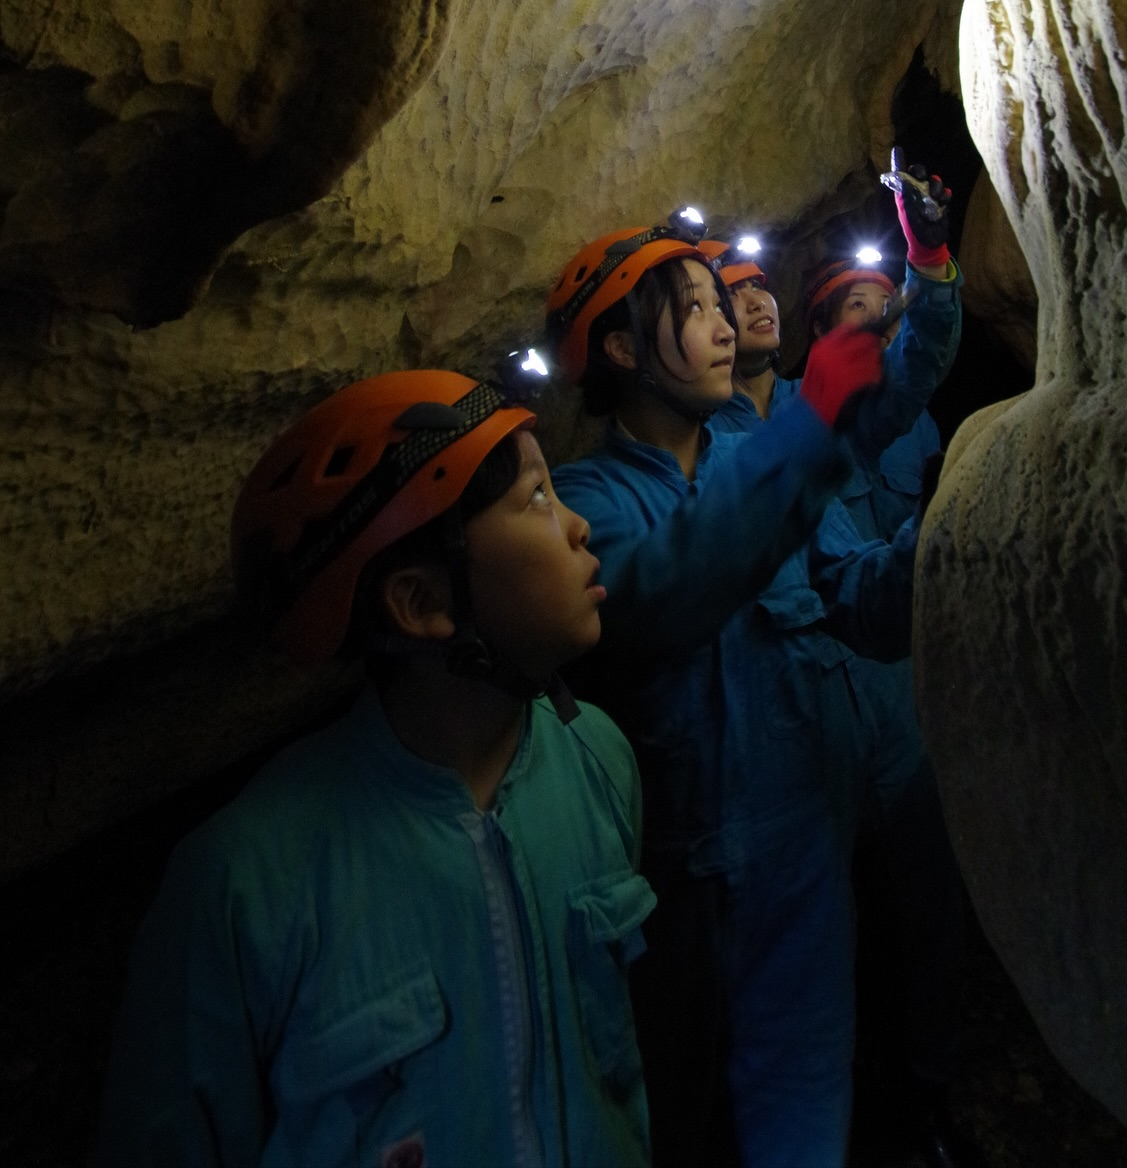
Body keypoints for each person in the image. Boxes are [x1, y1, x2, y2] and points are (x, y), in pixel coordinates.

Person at [99, 368, 655, 1168]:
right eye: (536, 498)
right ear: (423, 602)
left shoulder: (596, 759)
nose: (578, 528)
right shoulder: (243, 884)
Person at [545, 216, 914, 1168]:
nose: (721, 325)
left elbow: (851, 598)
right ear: (624, 348)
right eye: (693, 309)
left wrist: (948, 548)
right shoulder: (585, 506)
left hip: (799, 848)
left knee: (804, 1113)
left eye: (720, 305)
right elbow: (673, 585)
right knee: (679, 1123)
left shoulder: (758, 458)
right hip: (672, 893)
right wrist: (810, 427)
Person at [714, 167, 973, 1168]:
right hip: (784, 748)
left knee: (924, 921)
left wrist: (933, 262)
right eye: (715, 296)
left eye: (751, 287)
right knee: (808, 975)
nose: (749, 304)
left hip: (882, 715)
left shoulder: (825, 420)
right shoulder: (715, 457)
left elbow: (911, 367)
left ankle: (926, 1099)